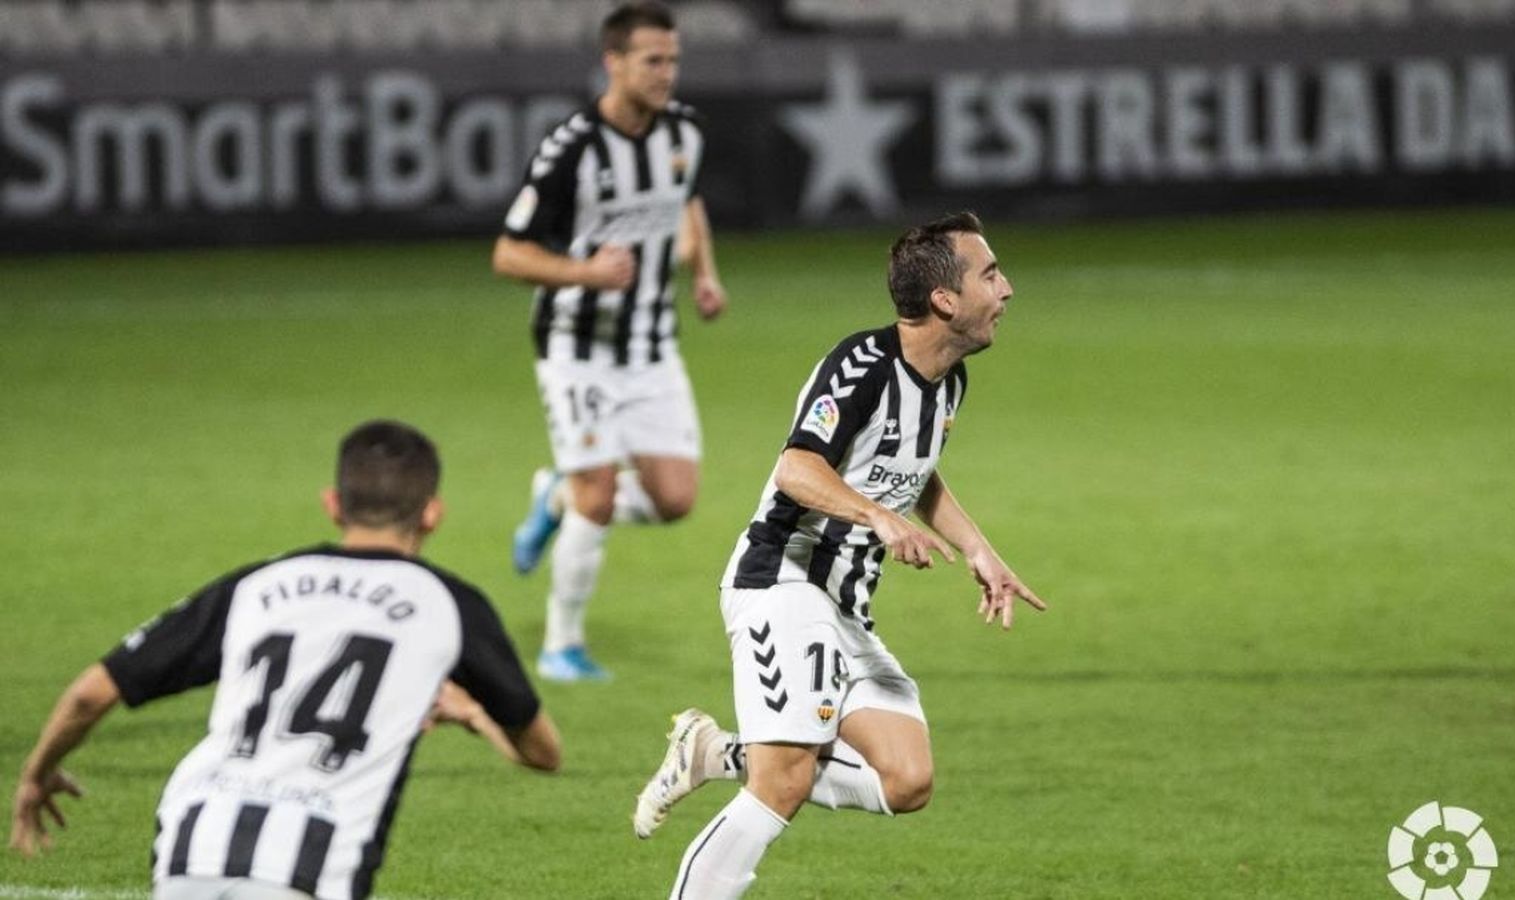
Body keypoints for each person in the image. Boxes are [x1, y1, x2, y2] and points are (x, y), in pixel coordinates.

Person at [631, 212, 1048, 898]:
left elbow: (913, 472)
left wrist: (980, 549)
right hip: (782, 580)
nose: (1006, 290)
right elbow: (798, 468)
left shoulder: (949, 382)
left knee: (907, 780)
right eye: (991, 275)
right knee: (784, 781)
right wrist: (877, 518)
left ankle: (716, 752)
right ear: (945, 300)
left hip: (845, 606)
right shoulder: (862, 366)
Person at [9, 421, 561, 900]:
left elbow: (91, 693)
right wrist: (474, 715)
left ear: (333, 504)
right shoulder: (448, 606)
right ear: (433, 513)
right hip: (307, 866)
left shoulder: (260, 583)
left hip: (190, 848)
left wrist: (35, 775)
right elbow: (542, 752)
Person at [492, 0, 727, 682]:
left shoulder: (685, 130)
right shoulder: (572, 148)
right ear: (614, 62)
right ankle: (561, 645)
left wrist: (704, 272)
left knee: (675, 500)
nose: (666, 73)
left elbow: (688, 199)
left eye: (673, 60)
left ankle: (552, 496)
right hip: (577, 345)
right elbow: (508, 254)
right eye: (653, 60)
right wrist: (585, 272)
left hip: (653, 344)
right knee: (598, 492)